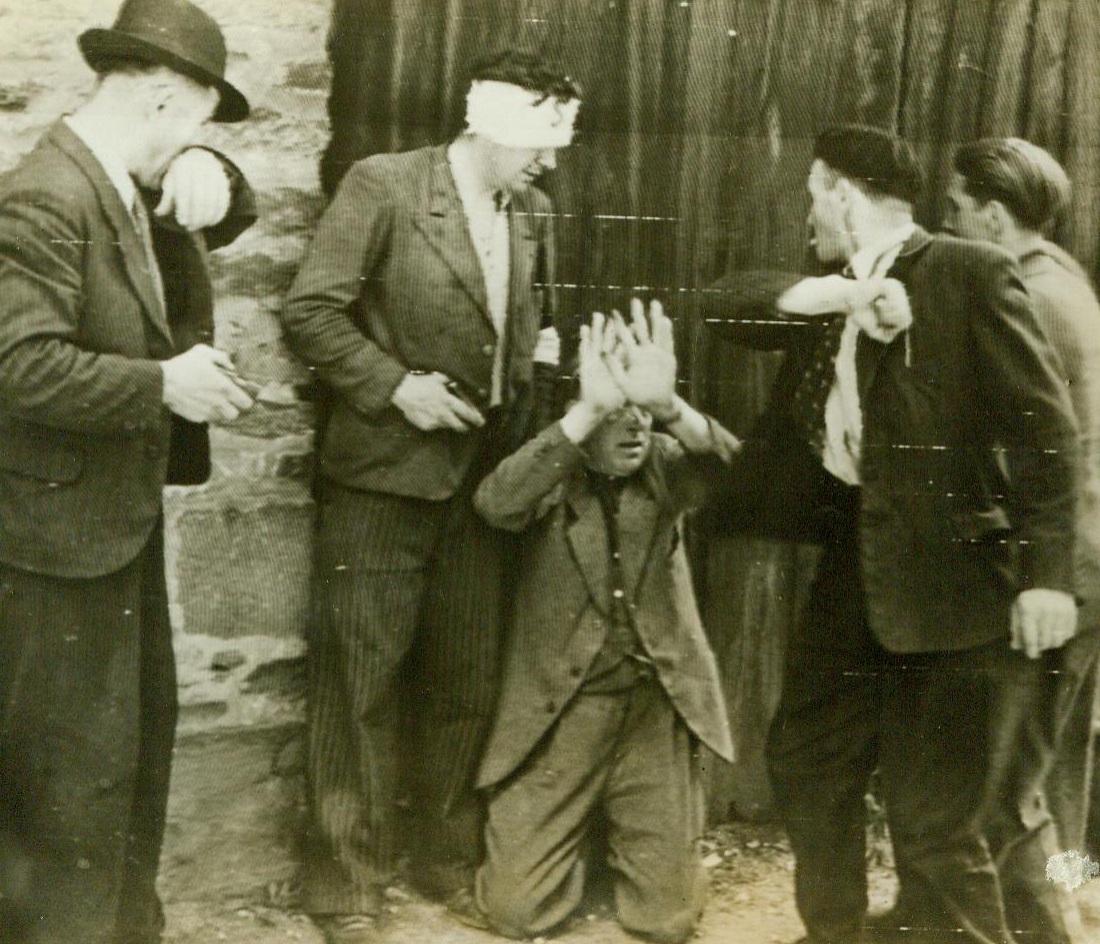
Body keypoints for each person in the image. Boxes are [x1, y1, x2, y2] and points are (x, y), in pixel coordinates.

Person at [701, 124, 1080, 944]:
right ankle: (834, 934)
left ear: (841, 192)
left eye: (813, 197)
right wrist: (847, 297)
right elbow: (720, 302)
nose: (808, 218)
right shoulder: (832, 287)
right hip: (855, 572)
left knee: (935, 824)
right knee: (807, 762)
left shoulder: (969, 272)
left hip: (952, 584)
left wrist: (1048, 576)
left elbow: (1049, 435)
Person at [279, 49, 581, 943]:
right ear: (494, 122)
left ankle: (442, 855)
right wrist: (393, 386)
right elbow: (312, 312)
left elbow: (536, 330)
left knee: (465, 678)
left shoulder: (534, 214)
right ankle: (346, 885)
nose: (551, 160)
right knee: (360, 681)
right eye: (542, 138)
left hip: (480, 488)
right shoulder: (387, 187)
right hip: (382, 480)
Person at [0, 1, 255, 942]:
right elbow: (15, 367)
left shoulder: (116, 181)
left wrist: (209, 164)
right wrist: (163, 385)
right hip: (51, 548)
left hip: (109, 530)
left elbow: (226, 206)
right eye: (193, 123)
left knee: (125, 763)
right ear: (155, 98)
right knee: (67, 784)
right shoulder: (46, 196)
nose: (190, 146)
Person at [471, 302, 737, 944]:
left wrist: (671, 405)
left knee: (666, 919)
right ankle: (585, 844)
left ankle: (634, 842)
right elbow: (495, 503)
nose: (634, 426)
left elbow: (744, 475)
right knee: (515, 911)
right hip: (566, 714)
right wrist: (586, 413)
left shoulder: (669, 466)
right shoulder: (549, 477)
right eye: (615, 408)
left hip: (652, 712)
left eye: (640, 409)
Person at [941, 137, 1100, 944]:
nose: (947, 222)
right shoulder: (1059, 274)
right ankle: (1072, 902)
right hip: (1088, 559)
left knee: (1009, 787)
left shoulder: (1028, 299)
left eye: (955, 210)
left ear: (992, 217)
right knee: (1056, 766)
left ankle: (1049, 933)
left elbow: (1031, 447)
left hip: (1063, 568)